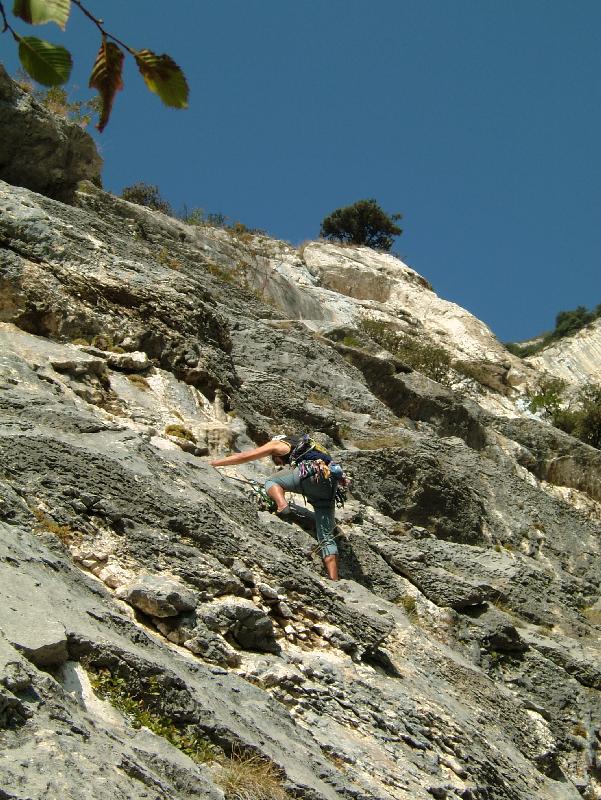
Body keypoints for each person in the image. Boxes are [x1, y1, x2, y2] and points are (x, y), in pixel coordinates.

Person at [210, 435, 340, 580]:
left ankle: (282, 504)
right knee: (327, 538)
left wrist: (214, 463)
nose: (278, 460)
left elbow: (247, 456)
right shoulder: (311, 445)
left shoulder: (279, 443)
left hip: (310, 473)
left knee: (271, 481)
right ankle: (334, 579)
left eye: (275, 457)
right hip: (330, 484)